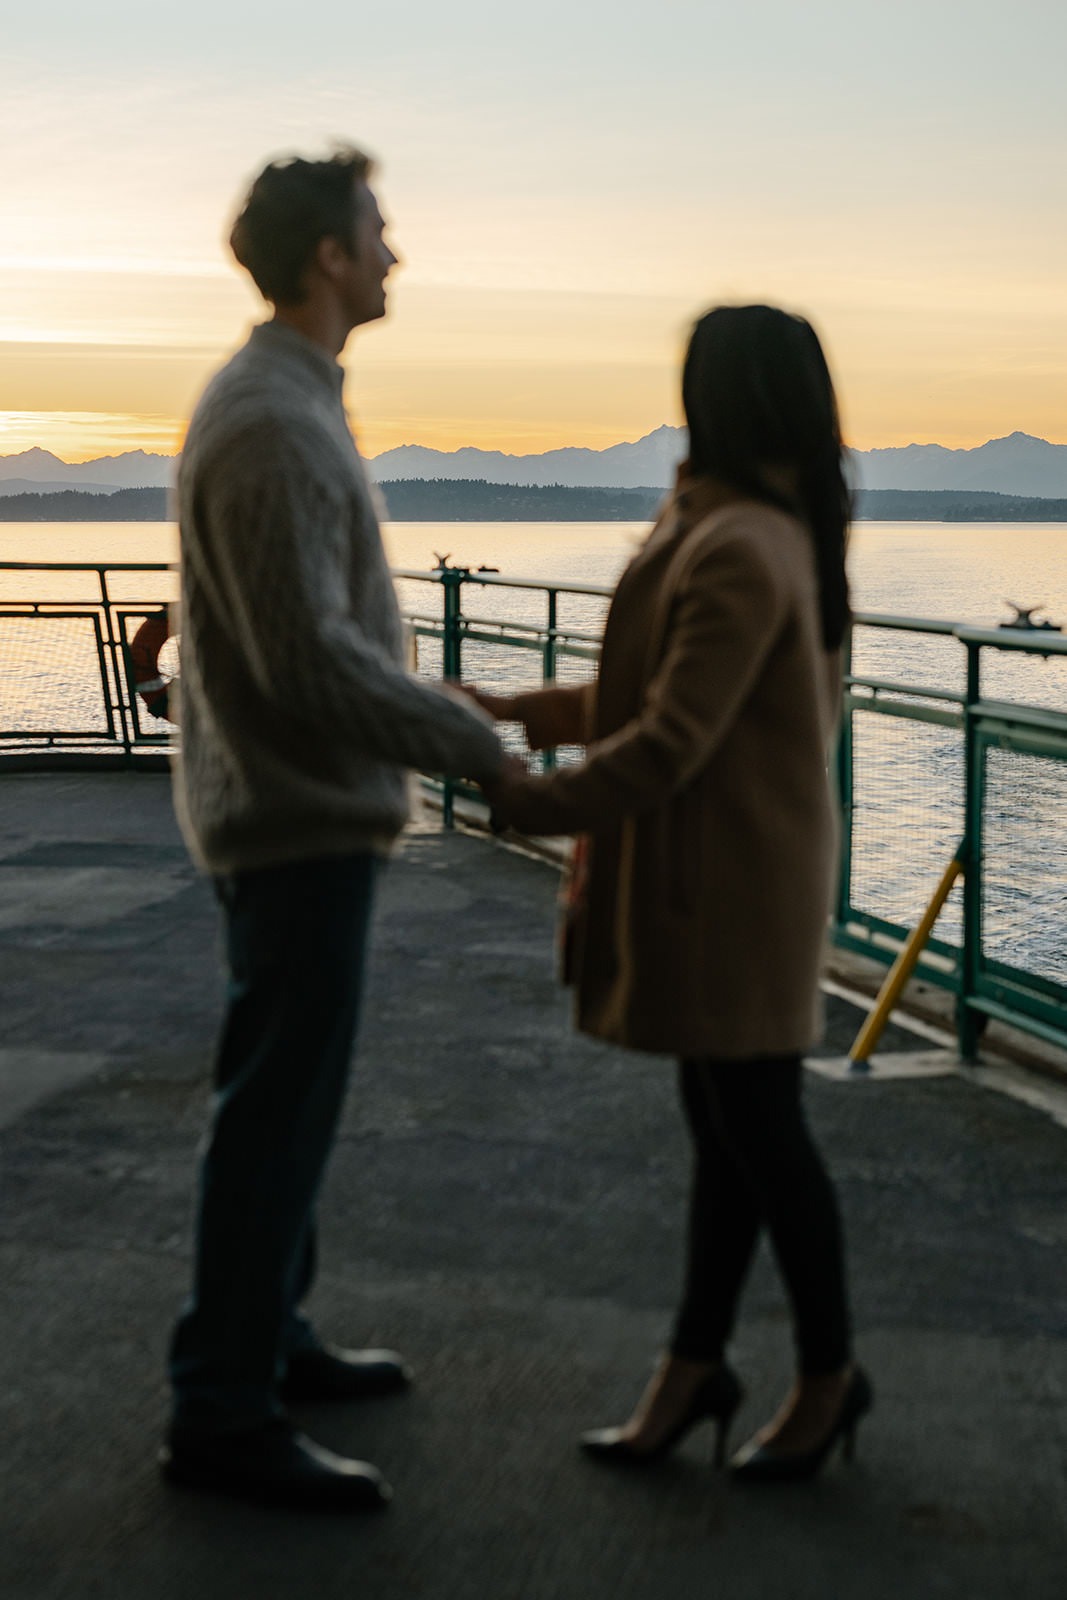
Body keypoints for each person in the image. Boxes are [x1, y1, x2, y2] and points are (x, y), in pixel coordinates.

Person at [471, 305, 870, 1484]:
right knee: (731, 1130)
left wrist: (521, 797)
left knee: (759, 1135)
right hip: (730, 877)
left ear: (715, 400)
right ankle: (697, 1367)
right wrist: (520, 713)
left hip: (731, 889)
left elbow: (666, 741)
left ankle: (825, 1375)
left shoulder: (734, 541)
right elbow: (649, 698)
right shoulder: (744, 526)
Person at [164, 146, 504, 1511]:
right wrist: (472, 744)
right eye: (377, 230)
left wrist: (436, 718)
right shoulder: (272, 419)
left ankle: (270, 1338)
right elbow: (308, 660)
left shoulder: (287, 401)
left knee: (287, 1106)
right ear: (327, 257)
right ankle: (222, 1408)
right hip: (292, 822)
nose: (393, 253)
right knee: (271, 1116)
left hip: (290, 814)